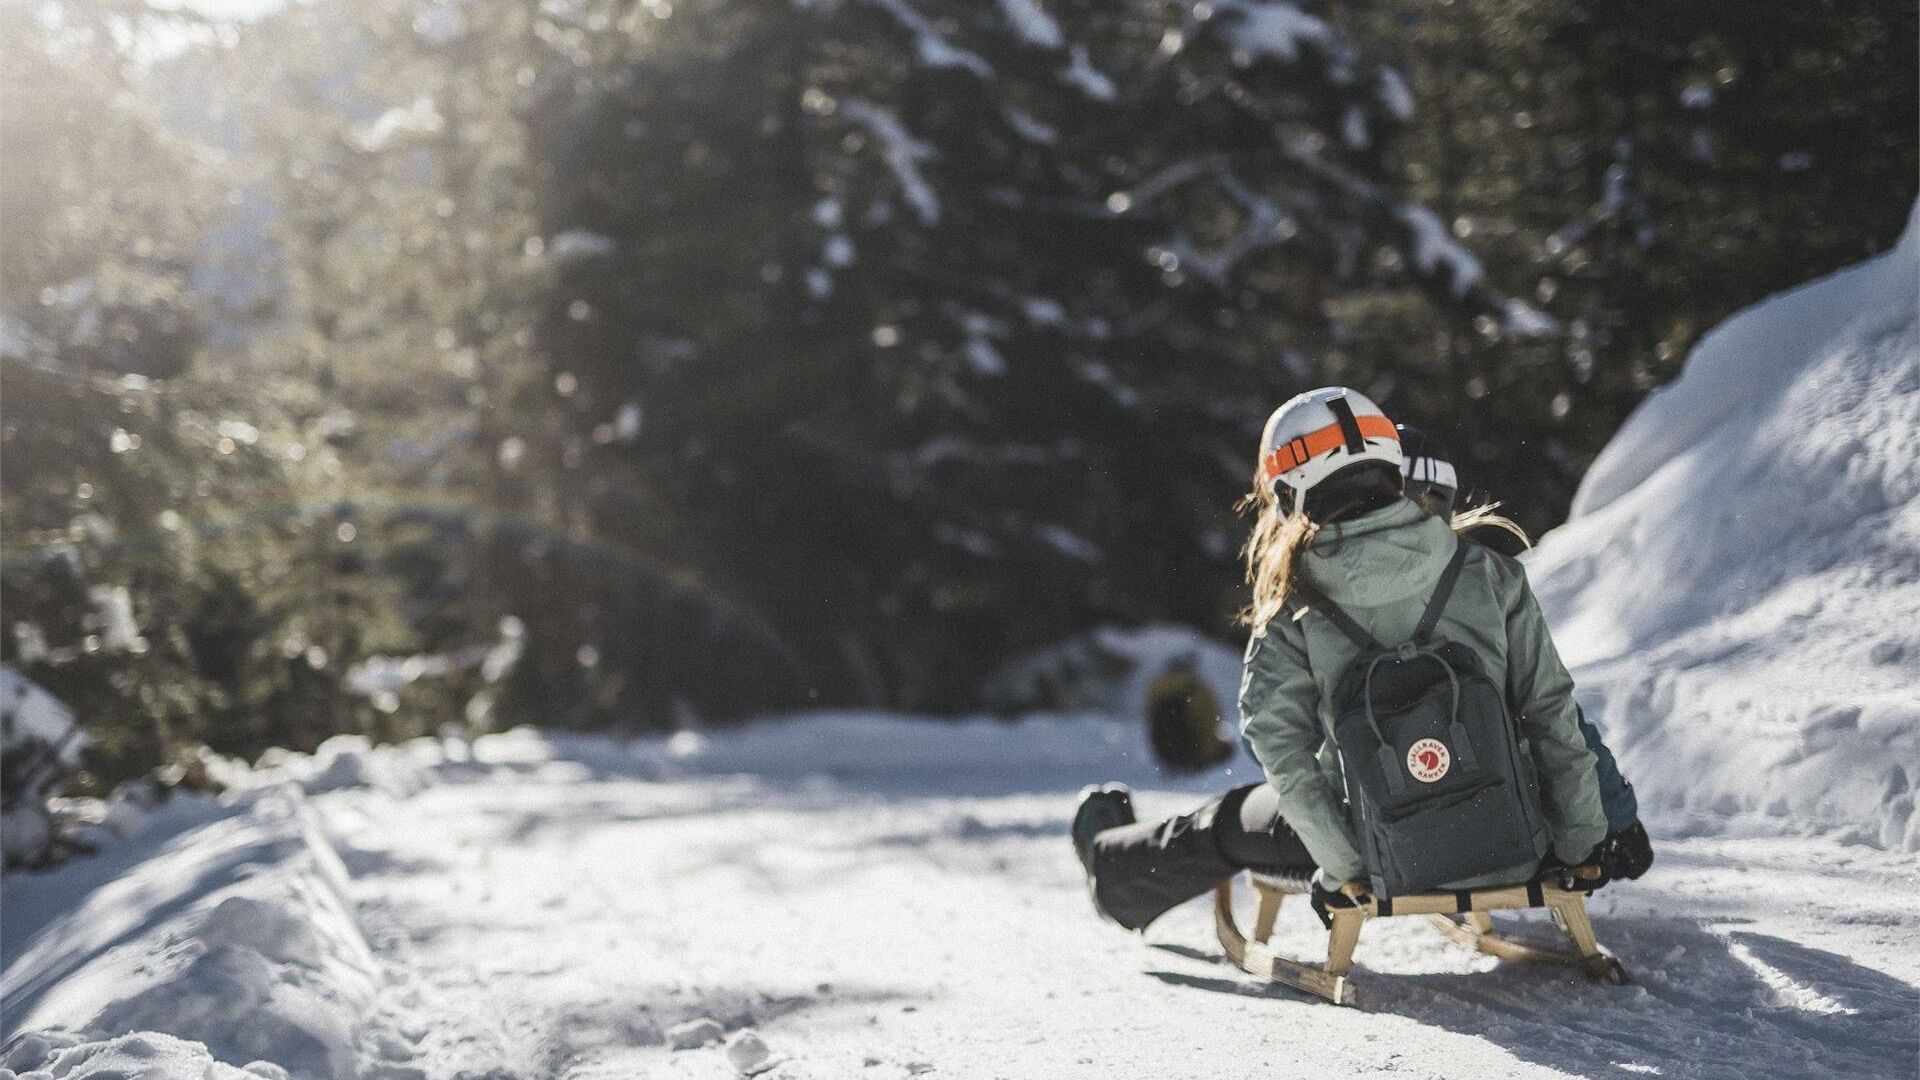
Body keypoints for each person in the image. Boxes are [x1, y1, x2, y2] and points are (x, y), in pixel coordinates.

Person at [1070, 389, 1652, 932]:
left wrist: (1346, 866)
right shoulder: (1491, 575)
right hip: (1516, 840)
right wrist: (1580, 845)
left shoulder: (1296, 606)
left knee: (1228, 819)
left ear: (1290, 490)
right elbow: (1551, 712)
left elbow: (1274, 740)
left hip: (1381, 855)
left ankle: (1112, 871)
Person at [1143, 653, 1234, 774]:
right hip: (1194, 752)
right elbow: (1209, 723)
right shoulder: (1198, 692)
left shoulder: (1156, 692)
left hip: (1165, 755)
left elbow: (1149, 721)